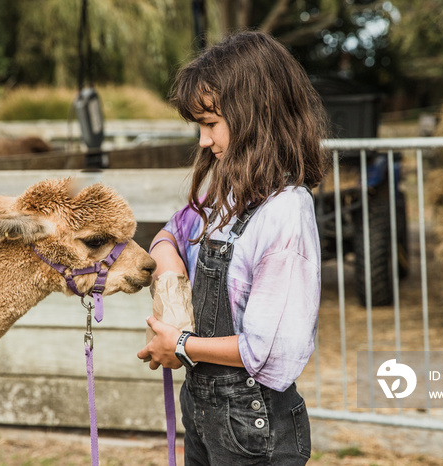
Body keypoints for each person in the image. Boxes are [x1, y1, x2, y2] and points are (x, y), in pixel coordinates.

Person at [137, 30, 330, 465]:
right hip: (205, 414)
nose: (204, 141)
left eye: (211, 124)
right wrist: (169, 265)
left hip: (252, 427)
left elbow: (269, 351)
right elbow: (170, 232)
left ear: (256, 114)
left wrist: (182, 344)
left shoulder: (284, 215)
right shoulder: (225, 197)